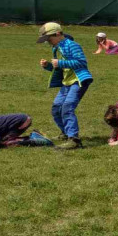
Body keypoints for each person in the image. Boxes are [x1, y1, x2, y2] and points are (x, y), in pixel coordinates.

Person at [38, 22, 93, 150]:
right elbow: (61, 68)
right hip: (67, 82)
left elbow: (81, 62)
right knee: (56, 108)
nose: (48, 42)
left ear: (58, 34)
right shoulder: (56, 48)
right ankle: (66, 133)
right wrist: (48, 66)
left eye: (49, 38)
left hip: (78, 81)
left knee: (67, 107)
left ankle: (74, 140)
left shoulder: (72, 45)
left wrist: (60, 63)